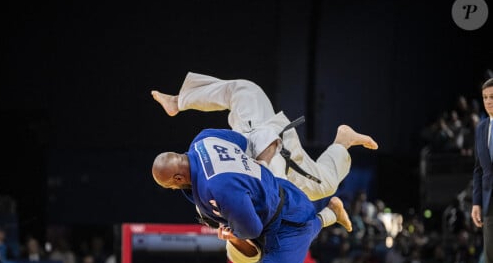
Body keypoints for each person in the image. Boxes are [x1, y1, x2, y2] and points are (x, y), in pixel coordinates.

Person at [152, 128, 352, 263]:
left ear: (178, 178)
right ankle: (331, 213)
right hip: (275, 193)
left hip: (288, 221)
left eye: (170, 186)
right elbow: (244, 142)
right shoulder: (204, 139)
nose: (173, 189)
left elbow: (252, 230)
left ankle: (322, 226)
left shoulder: (217, 188)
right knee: (236, 251)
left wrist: (234, 233)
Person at [151, 71, 378, 201]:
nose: (185, 156)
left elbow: (234, 140)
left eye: (180, 155)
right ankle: (343, 141)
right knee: (325, 185)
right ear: (178, 182)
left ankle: (178, 101)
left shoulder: (198, 149)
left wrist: (254, 145)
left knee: (245, 90)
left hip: (254, 139)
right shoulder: (206, 194)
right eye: (181, 160)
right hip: (269, 166)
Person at [471, 77, 493, 263]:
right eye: (486, 97)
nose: (489, 102)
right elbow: (478, 168)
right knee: (490, 254)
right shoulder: (481, 127)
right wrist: (476, 203)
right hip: (488, 200)